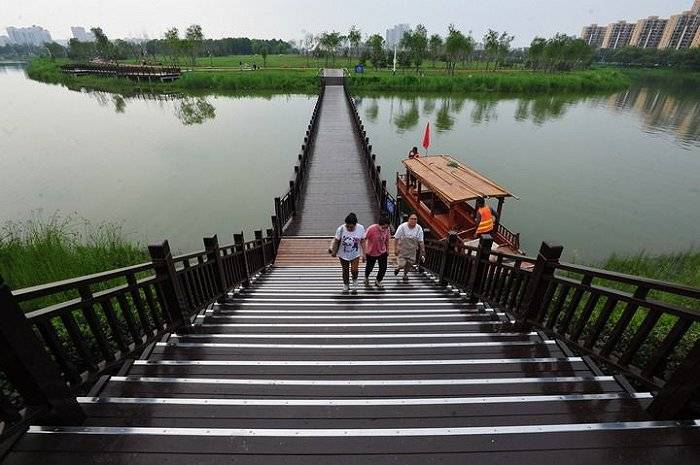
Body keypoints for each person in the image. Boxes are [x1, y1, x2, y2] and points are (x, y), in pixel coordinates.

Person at [328, 213, 365, 293]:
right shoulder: (341, 229)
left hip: (355, 253)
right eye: (347, 226)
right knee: (345, 270)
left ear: (355, 225)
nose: (349, 228)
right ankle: (346, 284)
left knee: (354, 270)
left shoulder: (360, 228)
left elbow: (362, 241)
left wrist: (364, 254)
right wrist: (334, 252)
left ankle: (354, 279)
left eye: (351, 227)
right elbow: (336, 241)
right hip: (343, 253)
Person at [393, 213, 425, 282]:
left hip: (412, 250)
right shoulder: (402, 227)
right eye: (412, 219)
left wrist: (423, 250)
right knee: (402, 264)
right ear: (408, 219)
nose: (413, 220)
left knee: (409, 264)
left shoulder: (419, 228)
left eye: (415, 219)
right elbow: (396, 238)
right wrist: (396, 248)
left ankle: (405, 274)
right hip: (403, 249)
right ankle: (398, 268)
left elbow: (421, 241)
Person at [363, 214, 391, 289]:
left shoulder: (387, 229)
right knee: (370, 267)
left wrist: (388, 249)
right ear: (379, 225)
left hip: (382, 251)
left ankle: (378, 280)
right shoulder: (372, 229)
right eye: (383, 227)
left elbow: (387, 240)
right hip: (371, 252)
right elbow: (364, 239)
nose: (384, 229)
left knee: (383, 267)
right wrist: (364, 251)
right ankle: (366, 277)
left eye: (386, 227)